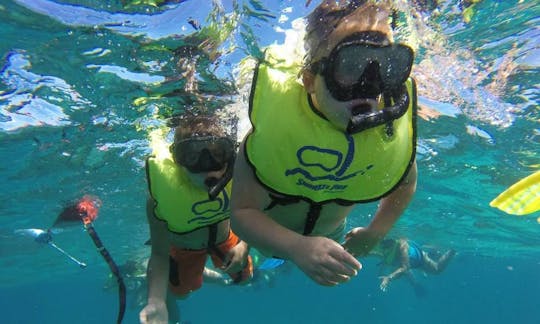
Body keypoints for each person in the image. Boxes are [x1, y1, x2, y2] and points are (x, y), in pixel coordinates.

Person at [231, 0, 418, 286]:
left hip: (332, 235)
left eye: (385, 68)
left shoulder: (386, 136)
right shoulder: (275, 134)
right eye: (351, 66)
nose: (369, 85)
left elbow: (405, 184)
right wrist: (295, 247)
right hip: (269, 238)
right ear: (309, 81)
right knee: (260, 250)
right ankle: (246, 249)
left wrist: (375, 232)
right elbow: (242, 213)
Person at [140, 115, 253, 324]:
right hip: (184, 250)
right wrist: (156, 301)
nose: (208, 167)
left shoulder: (240, 177)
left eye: (217, 154)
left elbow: (256, 214)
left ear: (229, 155)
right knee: (181, 293)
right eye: (192, 157)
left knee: (245, 279)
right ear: (178, 161)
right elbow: (159, 253)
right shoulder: (159, 198)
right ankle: (200, 272)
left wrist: (245, 246)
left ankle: (205, 271)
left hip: (225, 239)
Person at [372, 237, 456, 293]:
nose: (385, 246)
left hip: (420, 259)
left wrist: (389, 278)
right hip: (411, 263)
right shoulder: (382, 249)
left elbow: (405, 268)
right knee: (397, 270)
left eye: (387, 243)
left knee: (437, 269)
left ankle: (452, 250)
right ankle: (433, 253)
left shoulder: (402, 245)